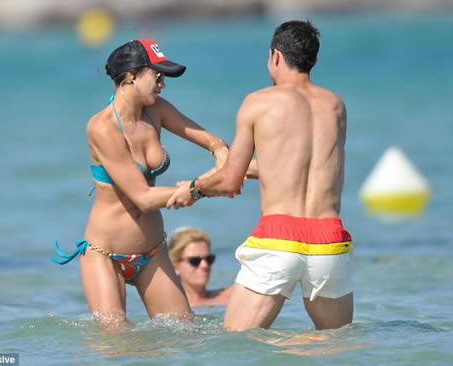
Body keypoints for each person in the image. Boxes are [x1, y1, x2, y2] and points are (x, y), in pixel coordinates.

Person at [167, 20, 353, 331]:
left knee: (236, 345)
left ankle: (284, 349)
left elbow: (230, 181)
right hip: (329, 241)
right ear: (314, 60)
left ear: (275, 56)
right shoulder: (335, 105)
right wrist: (206, 180)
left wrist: (196, 188)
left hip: (278, 238)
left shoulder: (258, 102)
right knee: (334, 346)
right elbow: (298, 168)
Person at [51, 39, 229, 329]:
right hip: (105, 254)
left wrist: (219, 148)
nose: (163, 86)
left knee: (186, 337)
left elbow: (207, 138)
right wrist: (199, 188)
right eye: (158, 78)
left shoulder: (157, 110)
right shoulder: (102, 127)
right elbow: (142, 197)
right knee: (115, 347)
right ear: (132, 75)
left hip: (153, 250)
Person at [168, 227, 232, 307]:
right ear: (175, 267)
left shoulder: (231, 295)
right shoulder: (175, 307)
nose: (204, 265)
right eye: (195, 261)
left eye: (209, 259)